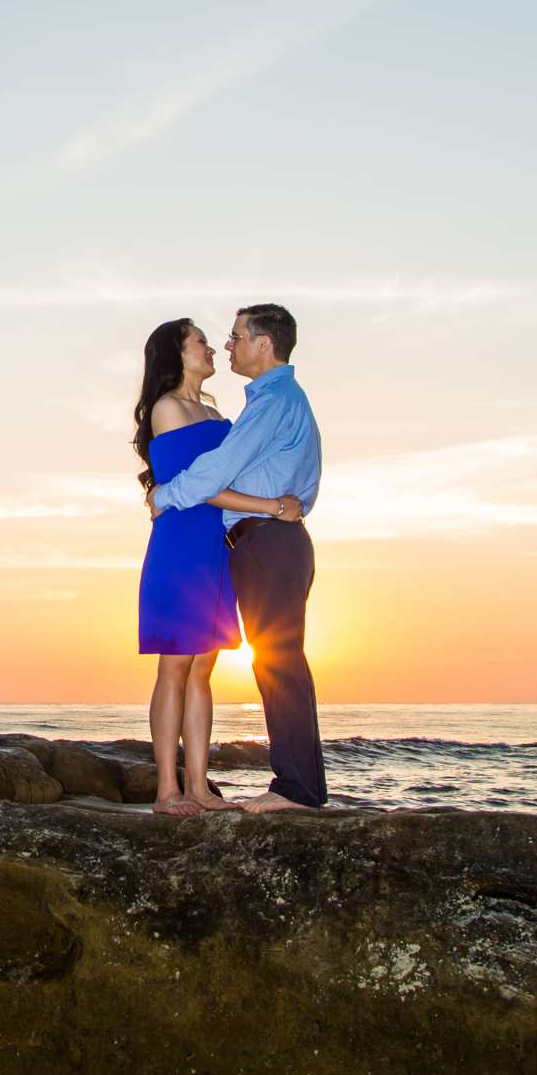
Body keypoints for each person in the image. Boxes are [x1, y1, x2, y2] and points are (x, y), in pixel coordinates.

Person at [150, 304, 325, 812]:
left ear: (263, 343)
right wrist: (285, 503)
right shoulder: (270, 401)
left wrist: (162, 496)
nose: (227, 345)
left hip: (267, 539)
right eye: (216, 339)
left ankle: (296, 789)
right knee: (276, 661)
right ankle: (295, 787)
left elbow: (215, 472)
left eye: (234, 336)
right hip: (253, 541)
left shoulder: (272, 401)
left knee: (279, 662)